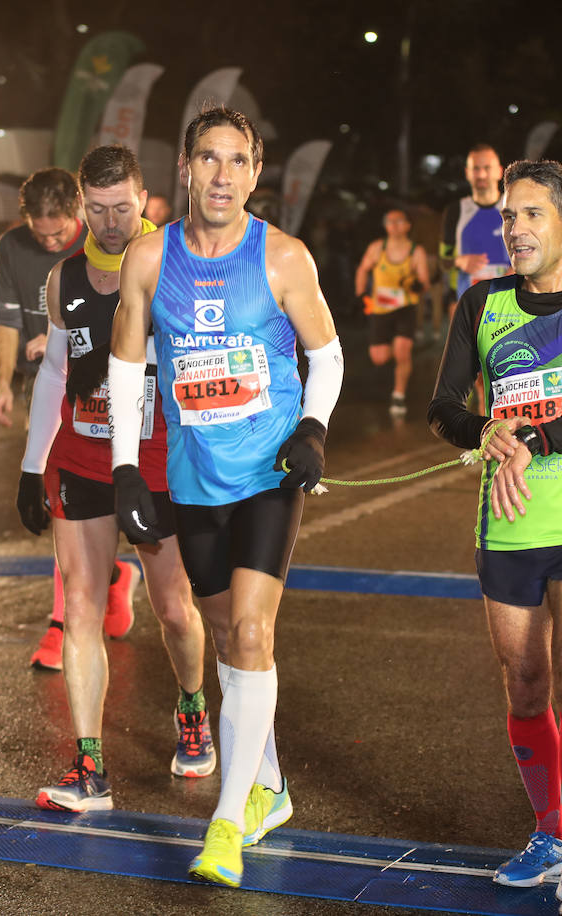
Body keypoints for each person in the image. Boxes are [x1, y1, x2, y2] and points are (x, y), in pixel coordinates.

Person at [108, 105, 343, 888]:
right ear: (184, 165)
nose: (222, 175)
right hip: (193, 473)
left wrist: (310, 430)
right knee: (226, 638)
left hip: (269, 471)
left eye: (237, 161)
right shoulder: (147, 258)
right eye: (208, 159)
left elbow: (329, 355)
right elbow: (125, 370)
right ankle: (269, 785)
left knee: (249, 630)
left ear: (255, 170)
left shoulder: (282, 257)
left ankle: (226, 819)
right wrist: (125, 471)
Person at [428, 158, 562, 916]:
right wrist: (487, 428)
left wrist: (534, 442)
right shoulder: (481, 303)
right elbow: (445, 406)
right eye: (507, 217)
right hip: (506, 521)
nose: (513, 228)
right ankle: (547, 833)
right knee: (524, 686)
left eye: (529, 215)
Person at [17, 145, 217, 811]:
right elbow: (52, 375)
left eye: (122, 209)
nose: (110, 223)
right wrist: (29, 464)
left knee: (173, 610)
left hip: (157, 465)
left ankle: (192, 707)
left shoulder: (179, 266)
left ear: (146, 201)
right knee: (80, 606)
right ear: (81, 205)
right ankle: (90, 767)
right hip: (80, 461)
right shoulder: (62, 278)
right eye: (97, 210)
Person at [0, 168, 137, 668]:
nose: (50, 240)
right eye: (40, 232)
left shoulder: (116, 242)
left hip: (125, 395)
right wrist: (2, 385)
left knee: (113, 515)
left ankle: (115, 577)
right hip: (54, 387)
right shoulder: (13, 247)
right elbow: (6, 320)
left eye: (58, 231)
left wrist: (75, 337)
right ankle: (63, 622)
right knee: (61, 507)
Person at [354, 208, 430, 415]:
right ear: (385, 226)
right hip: (381, 310)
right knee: (379, 357)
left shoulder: (416, 251)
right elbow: (362, 269)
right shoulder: (378, 248)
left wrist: (418, 286)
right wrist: (361, 296)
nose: (394, 226)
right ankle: (395, 368)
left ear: (407, 225)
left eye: (399, 221)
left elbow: (424, 281)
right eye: (390, 221)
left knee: (402, 352)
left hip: (405, 308)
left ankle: (398, 396)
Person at [440, 144, 509, 309]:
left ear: (499, 171)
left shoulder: (514, 207)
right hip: (467, 303)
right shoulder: (455, 211)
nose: (481, 174)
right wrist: (459, 260)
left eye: (487, 167)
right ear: (467, 173)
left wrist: (517, 271)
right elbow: (444, 261)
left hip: (509, 303)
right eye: (476, 168)